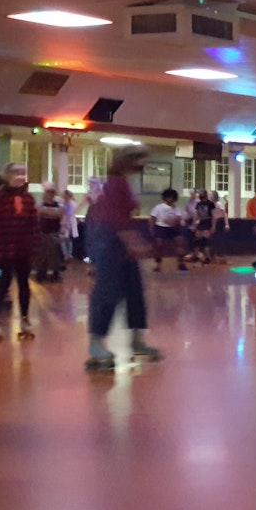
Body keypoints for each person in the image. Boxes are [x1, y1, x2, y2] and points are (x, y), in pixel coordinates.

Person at [84, 146, 161, 372]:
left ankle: (137, 340)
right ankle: (96, 344)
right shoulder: (115, 183)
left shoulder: (125, 182)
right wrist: (134, 243)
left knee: (135, 293)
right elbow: (115, 219)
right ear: (127, 161)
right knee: (107, 294)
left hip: (121, 246)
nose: (142, 166)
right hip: (110, 244)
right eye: (140, 161)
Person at [0, 163, 40, 341]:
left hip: (24, 248)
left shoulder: (28, 199)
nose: (20, 177)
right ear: (8, 176)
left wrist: (34, 247)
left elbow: (34, 225)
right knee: (4, 283)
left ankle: (25, 318)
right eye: (16, 173)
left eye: (23, 173)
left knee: (24, 284)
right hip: (6, 248)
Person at [149, 188, 188, 273]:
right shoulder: (158, 207)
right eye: (168, 197)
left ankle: (181, 263)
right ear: (165, 198)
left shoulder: (176, 209)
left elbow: (179, 218)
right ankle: (158, 264)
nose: (170, 199)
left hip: (172, 228)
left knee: (180, 242)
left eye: (172, 197)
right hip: (160, 227)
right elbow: (152, 218)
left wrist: (175, 222)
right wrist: (152, 228)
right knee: (159, 244)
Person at [35, 184, 66, 281]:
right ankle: (41, 273)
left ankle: (55, 274)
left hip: (54, 232)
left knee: (55, 254)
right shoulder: (40, 205)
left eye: (52, 193)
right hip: (43, 232)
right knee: (42, 254)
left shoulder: (59, 206)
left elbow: (62, 218)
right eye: (48, 193)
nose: (50, 195)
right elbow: (37, 217)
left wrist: (62, 232)